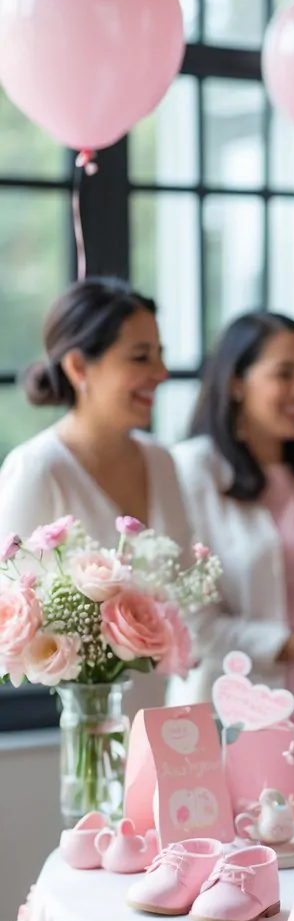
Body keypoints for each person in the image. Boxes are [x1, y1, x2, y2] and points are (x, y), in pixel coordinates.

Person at [0, 277, 191, 718]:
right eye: (141, 357)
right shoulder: (37, 470)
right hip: (70, 727)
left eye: (160, 355)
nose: (161, 373)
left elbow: (186, 602)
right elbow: (11, 623)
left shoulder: (163, 463)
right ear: (78, 367)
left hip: (158, 721)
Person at [171, 311, 294, 723]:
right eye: (284, 374)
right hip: (236, 710)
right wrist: (292, 644)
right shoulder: (192, 470)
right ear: (237, 382)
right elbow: (192, 624)